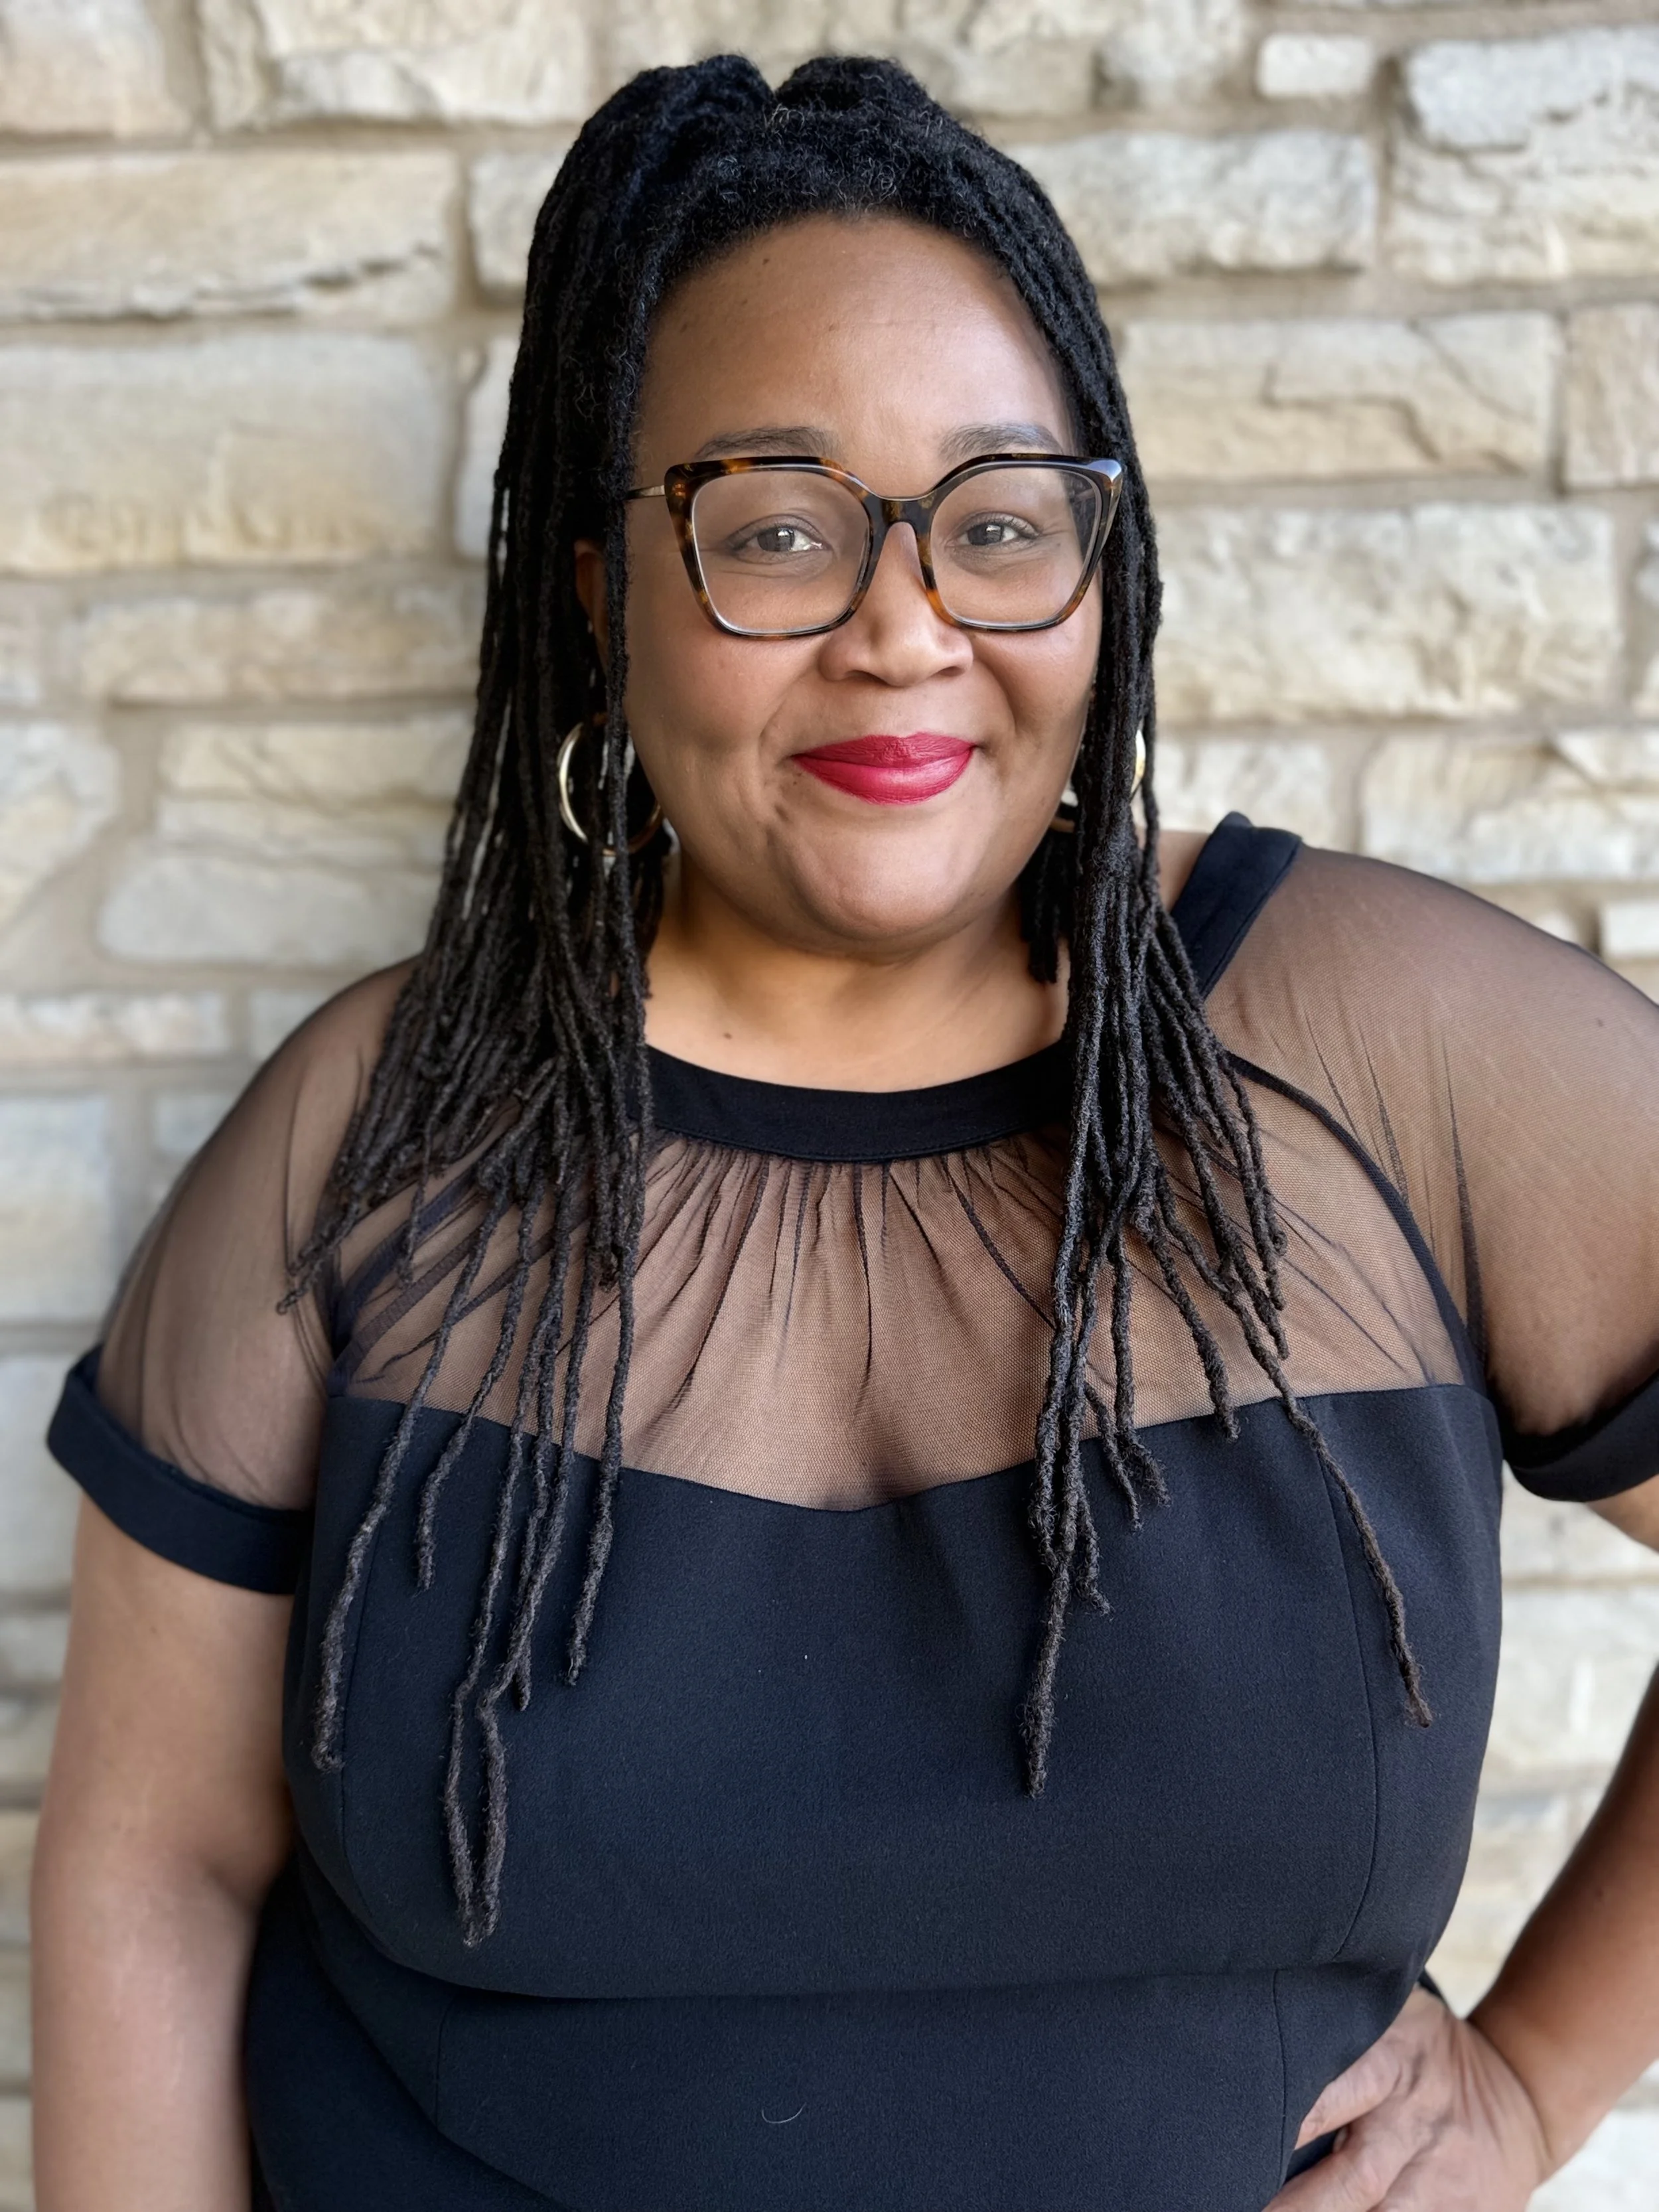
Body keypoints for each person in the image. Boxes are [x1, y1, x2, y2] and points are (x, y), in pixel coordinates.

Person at [30, 53, 1659, 2212]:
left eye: (996, 523)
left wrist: (1540, 2080)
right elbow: (154, 1862)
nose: (906, 630)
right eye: (776, 528)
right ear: (602, 599)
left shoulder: (1394, 1055)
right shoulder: (385, 1131)